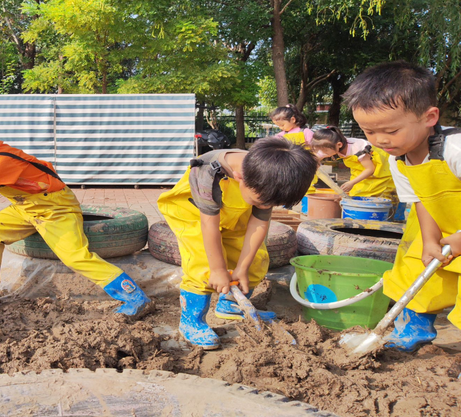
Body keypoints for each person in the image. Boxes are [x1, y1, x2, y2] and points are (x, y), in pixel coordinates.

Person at [0, 96, 151, 317]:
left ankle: (135, 297)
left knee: (75, 255)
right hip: (24, 207)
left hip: (55, 208)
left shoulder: (0, 160)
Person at [343, 60, 461, 352]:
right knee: (412, 269)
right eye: (369, 132)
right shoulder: (399, 157)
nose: (380, 140)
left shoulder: (455, 149)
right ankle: (413, 329)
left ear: (429, 116)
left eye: (391, 130)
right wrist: (430, 241)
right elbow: (419, 200)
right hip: (442, 225)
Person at [157, 137, 318, 349]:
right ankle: (191, 321)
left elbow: (259, 224)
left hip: (236, 209)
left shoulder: (269, 178)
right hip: (194, 213)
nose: (267, 206)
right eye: (262, 202)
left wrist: (241, 268)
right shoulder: (207, 173)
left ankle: (230, 306)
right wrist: (217, 269)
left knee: (256, 259)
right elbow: (209, 226)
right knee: (203, 264)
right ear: (240, 177)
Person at [310, 126, 396, 198]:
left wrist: (352, 182)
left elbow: (370, 169)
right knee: (355, 194)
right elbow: (317, 157)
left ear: (339, 145)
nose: (323, 154)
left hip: (380, 173)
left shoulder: (357, 148)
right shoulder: (334, 145)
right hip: (361, 172)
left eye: (325, 151)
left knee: (375, 196)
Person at [269, 104, 318, 213]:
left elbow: (314, 149)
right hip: (289, 165)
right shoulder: (280, 136)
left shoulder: (306, 132)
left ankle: (307, 208)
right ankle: (287, 204)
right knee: (288, 184)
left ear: (293, 119)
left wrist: (315, 161)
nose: (281, 128)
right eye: (278, 126)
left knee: (308, 186)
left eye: (282, 125)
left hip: (305, 164)